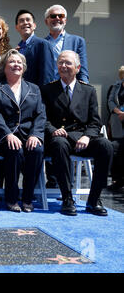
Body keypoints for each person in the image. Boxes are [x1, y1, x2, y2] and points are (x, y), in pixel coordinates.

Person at [41, 50, 113, 216]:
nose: (63, 66)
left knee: (106, 146)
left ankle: (94, 199)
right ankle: (67, 198)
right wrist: (53, 130)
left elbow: (95, 121)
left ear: (78, 67)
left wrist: (87, 136)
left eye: (68, 63)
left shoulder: (88, 91)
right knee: (59, 144)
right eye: (60, 62)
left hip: (83, 138)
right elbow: (42, 118)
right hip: (59, 139)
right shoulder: (47, 90)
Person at [0, 49, 45, 212]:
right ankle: (11, 198)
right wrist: (7, 134)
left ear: (24, 67)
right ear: (4, 67)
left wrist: (36, 135)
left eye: (19, 62)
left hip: (28, 135)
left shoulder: (34, 88)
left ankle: (27, 198)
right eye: (12, 62)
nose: (16, 65)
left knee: (37, 150)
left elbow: (40, 114)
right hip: (4, 136)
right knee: (15, 150)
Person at [44, 4, 89, 83]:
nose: (57, 18)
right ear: (46, 21)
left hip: (69, 88)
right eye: (53, 16)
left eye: (61, 16)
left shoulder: (78, 41)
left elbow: (82, 70)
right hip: (47, 89)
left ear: (65, 20)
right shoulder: (41, 44)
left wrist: (84, 90)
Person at [15, 9, 55, 87]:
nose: (25, 22)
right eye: (21, 21)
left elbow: (47, 77)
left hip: (36, 96)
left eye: (28, 20)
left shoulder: (43, 44)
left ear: (34, 25)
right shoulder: (17, 49)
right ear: (17, 27)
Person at [107, 66, 124, 190]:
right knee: (116, 150)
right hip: (118, 122)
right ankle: (116, 180)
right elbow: (110, 101)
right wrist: (118, 112)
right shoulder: (116, 87)